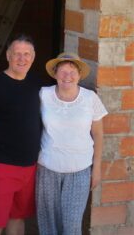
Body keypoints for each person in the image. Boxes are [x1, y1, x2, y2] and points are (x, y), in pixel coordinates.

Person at [0, 34, 42, 235]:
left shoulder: (37, 84)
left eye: (26, 54)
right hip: (1, 165)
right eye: (17, 54)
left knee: (17, 218)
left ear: (33, 56)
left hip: (29, 166)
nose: (22, 59)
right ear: (8, 55)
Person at [36, 52, 108, 235]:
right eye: (63, 71)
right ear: (55, 74)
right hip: (47, 168)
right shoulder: (43, 95)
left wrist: (97, 167)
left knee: (72, 225)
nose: (67, 76)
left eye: (72, 71)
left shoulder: (90, 98)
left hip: (80, 170)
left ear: (79, 74)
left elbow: (98, 134)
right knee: (48, 224)